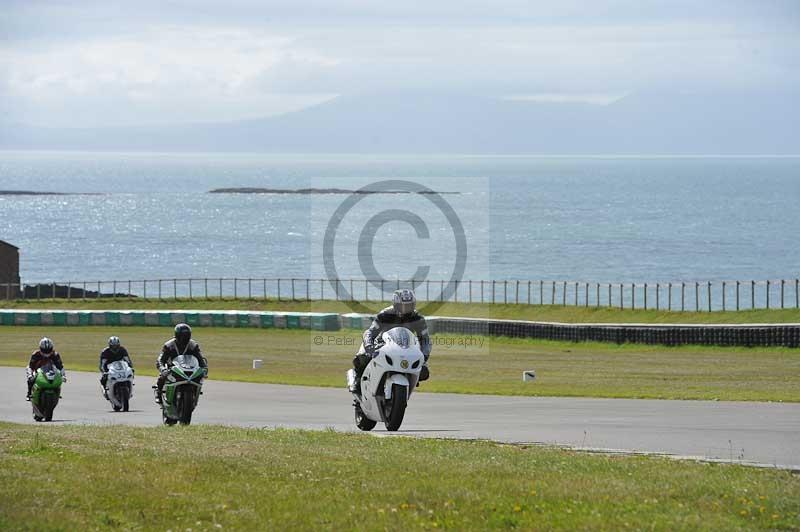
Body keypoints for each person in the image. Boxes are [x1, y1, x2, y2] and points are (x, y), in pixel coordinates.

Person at [351, 289, 431, 394]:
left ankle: (408, 382)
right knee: (362, 357)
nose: (406, 309)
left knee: (424, 371)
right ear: (396, 305)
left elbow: (425, 339)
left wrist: (424, 356)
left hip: (406, 346)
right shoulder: (385, 314)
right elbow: (370, 332)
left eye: (409, 306)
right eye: (403, 306)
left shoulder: (418, 319)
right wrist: (369, 347)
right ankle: (357, 380)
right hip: (382, 344)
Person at [154, 323, 207, 404]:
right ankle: (158, 392)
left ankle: (194, 393)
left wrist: (204, 368)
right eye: (183, 336)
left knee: (200, 377)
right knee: (162, 376)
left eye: (186, 336)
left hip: (190, 368)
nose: (184, 338)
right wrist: (163, 369)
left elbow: (200, 359)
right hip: (173, 368)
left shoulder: (193, 345)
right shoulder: (169, 345)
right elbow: (161, 359)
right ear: (177, 335)